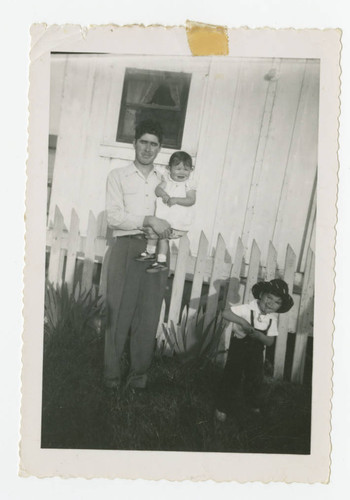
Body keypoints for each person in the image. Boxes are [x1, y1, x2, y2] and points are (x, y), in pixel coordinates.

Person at [104, 119, 172, 390]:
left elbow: (175, 213)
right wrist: (148, 219)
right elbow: (114, 217)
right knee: (118, 312)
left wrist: (167, 225)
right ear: (134, 143)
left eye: (153, 144)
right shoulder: (118, 176)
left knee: (148, 313)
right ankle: (111, 378)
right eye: (143, 142)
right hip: (128, 247)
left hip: (157, 250)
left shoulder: (164, 181)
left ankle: (138, 379)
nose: (147, 148)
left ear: (160, 148)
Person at [215, 279, 294, 425]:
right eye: (269, 298)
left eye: (276, 302)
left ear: (280, 307)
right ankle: (222, 407)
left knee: (255, 378)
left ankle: (252, 404)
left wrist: (259, 336)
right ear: (261, 295)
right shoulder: (248, 309)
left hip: (256, 353)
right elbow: (226, 313)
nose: (270, 303)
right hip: (239, 348)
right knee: (232, 375)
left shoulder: (271, 320)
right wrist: (243, 322)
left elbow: (270, 342)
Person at [135, 151, 196, 273]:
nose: (182, 172)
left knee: (163, 237)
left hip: (177, 222)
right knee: (153, 231)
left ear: (191, 170)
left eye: (186, 169)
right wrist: (164, 195)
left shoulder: (188, 184)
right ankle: (150, 253)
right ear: (169, 168)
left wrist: (176, 200)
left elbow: (191, 200)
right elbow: (157, 190)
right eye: (178, 168)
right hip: (164, 219)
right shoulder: (166, 180)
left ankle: (161, 261)